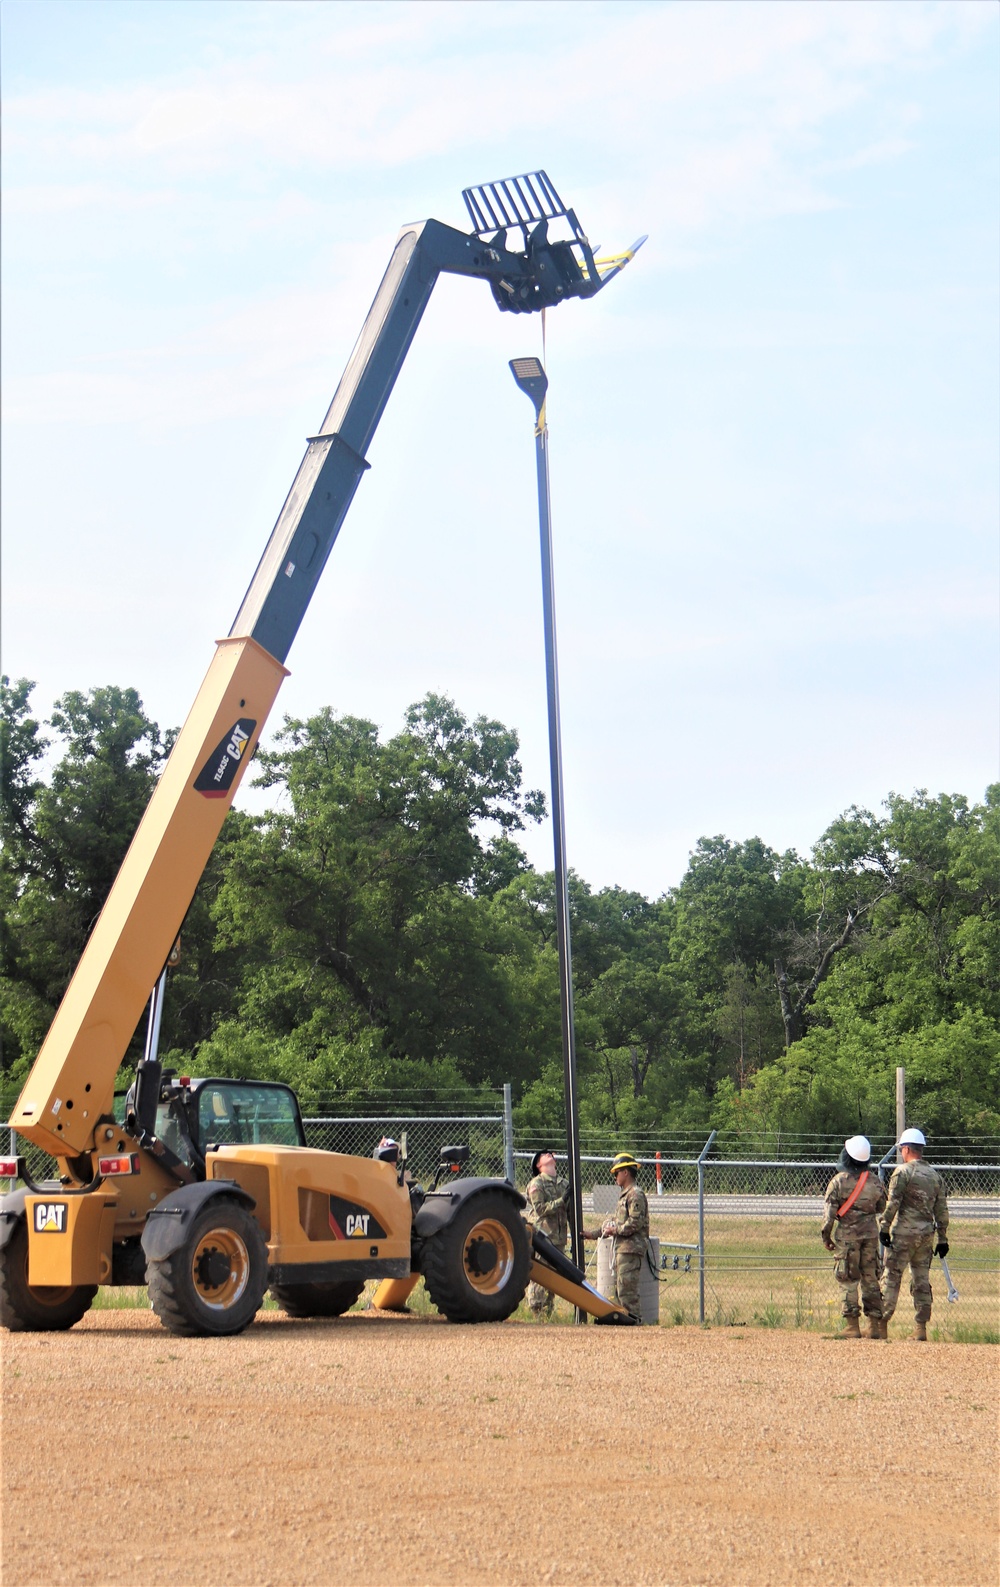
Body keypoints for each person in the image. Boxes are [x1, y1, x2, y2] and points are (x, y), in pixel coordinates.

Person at [878, 1127, 950, 1341]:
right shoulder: (935, 1176)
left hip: (903, 1234)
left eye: (902, 1149)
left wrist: (884, 1227)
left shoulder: (903, 1172)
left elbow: (893, 1203)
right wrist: (943, 1238)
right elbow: (942, 1211)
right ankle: (920, 1328)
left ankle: (881, 1324)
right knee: (921, 1281)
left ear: (906, 1149)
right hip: (926, 1236)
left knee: (891, 1277)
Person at [820, 1135, 887, 1339]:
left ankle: (852, 1326)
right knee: (871, 1278)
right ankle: (874, 1325)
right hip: (870, 1235)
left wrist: (826, 1236)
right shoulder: (875, 1181)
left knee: (848, 1279)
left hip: (847, 1236)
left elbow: (829, 1214)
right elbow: (882, 1206)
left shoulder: (838, 1181)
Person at [599, 1152, 649, 1321]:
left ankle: (634, 1322)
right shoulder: (625, 1195)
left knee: (627, 1293)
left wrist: (616, 1230)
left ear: (625, 1172)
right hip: (623, 1249)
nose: (615, 1177)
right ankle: (627, 1324)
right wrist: (593, 1233)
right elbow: (617, 1221)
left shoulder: (635, 1194)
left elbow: (635, 1222)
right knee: (620, 1291)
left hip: (630, 1249)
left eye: (616, 1173)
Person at [523, 1149, 571, 1320]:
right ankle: (537, 1313)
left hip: (558, 1239)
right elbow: (540, 1209)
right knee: (541, 1276)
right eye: (544, 1155)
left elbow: (571, 1213)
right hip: (543, 1238)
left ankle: (547, 1314)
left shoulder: (564, 1184)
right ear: (538, 1165)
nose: (549, 1155)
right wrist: (561, 1201)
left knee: (553, 1279)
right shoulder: (537, 1183)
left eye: (550, 1154)